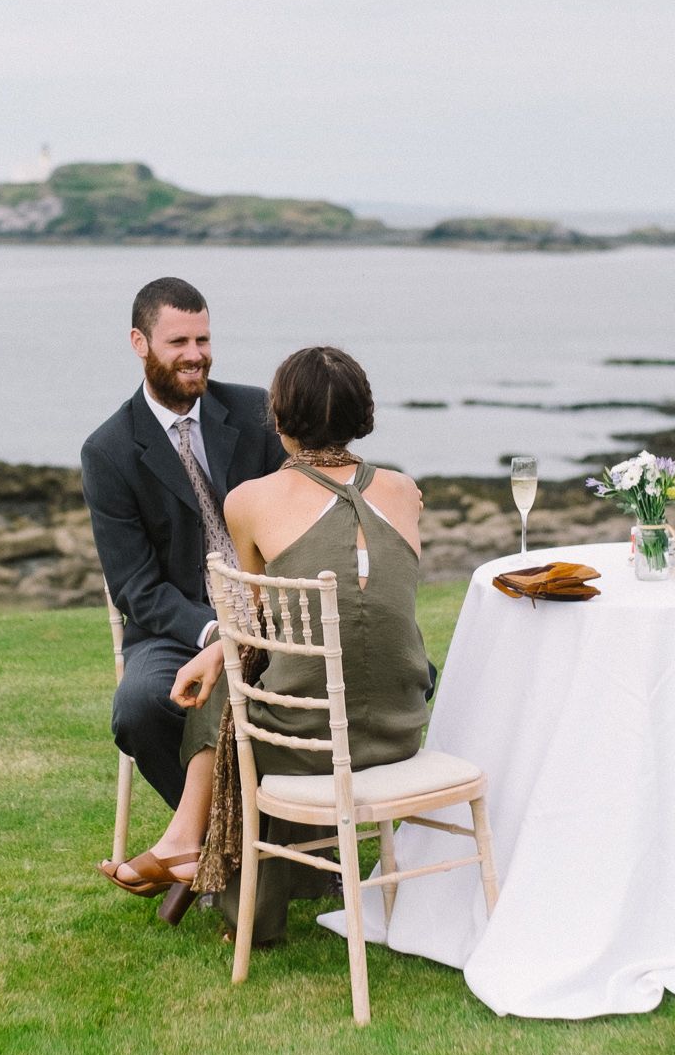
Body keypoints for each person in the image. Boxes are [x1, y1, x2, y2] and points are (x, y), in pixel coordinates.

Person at [106, 344, 435, 943]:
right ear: (364, 414)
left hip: (309, 742)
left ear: (279, 421)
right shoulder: (405, 491)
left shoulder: (250, 501)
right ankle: (187, 844)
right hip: (401, 726)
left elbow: (251, 623)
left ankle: (192, 846)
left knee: (232, 687)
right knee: (229, 670)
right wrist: (216, 653)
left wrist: (214, 656)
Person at [82, 277, 285, 899]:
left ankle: (226, 846)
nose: (196, 353)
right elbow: (136, 588)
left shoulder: (257, 414)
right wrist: (213, 634)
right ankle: (236, 842)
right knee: (140, 705)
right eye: (178, 341)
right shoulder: (109, 450)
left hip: (274, 610)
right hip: (176, 628)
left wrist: (255, 619)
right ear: (140, 343)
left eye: (203, 338)